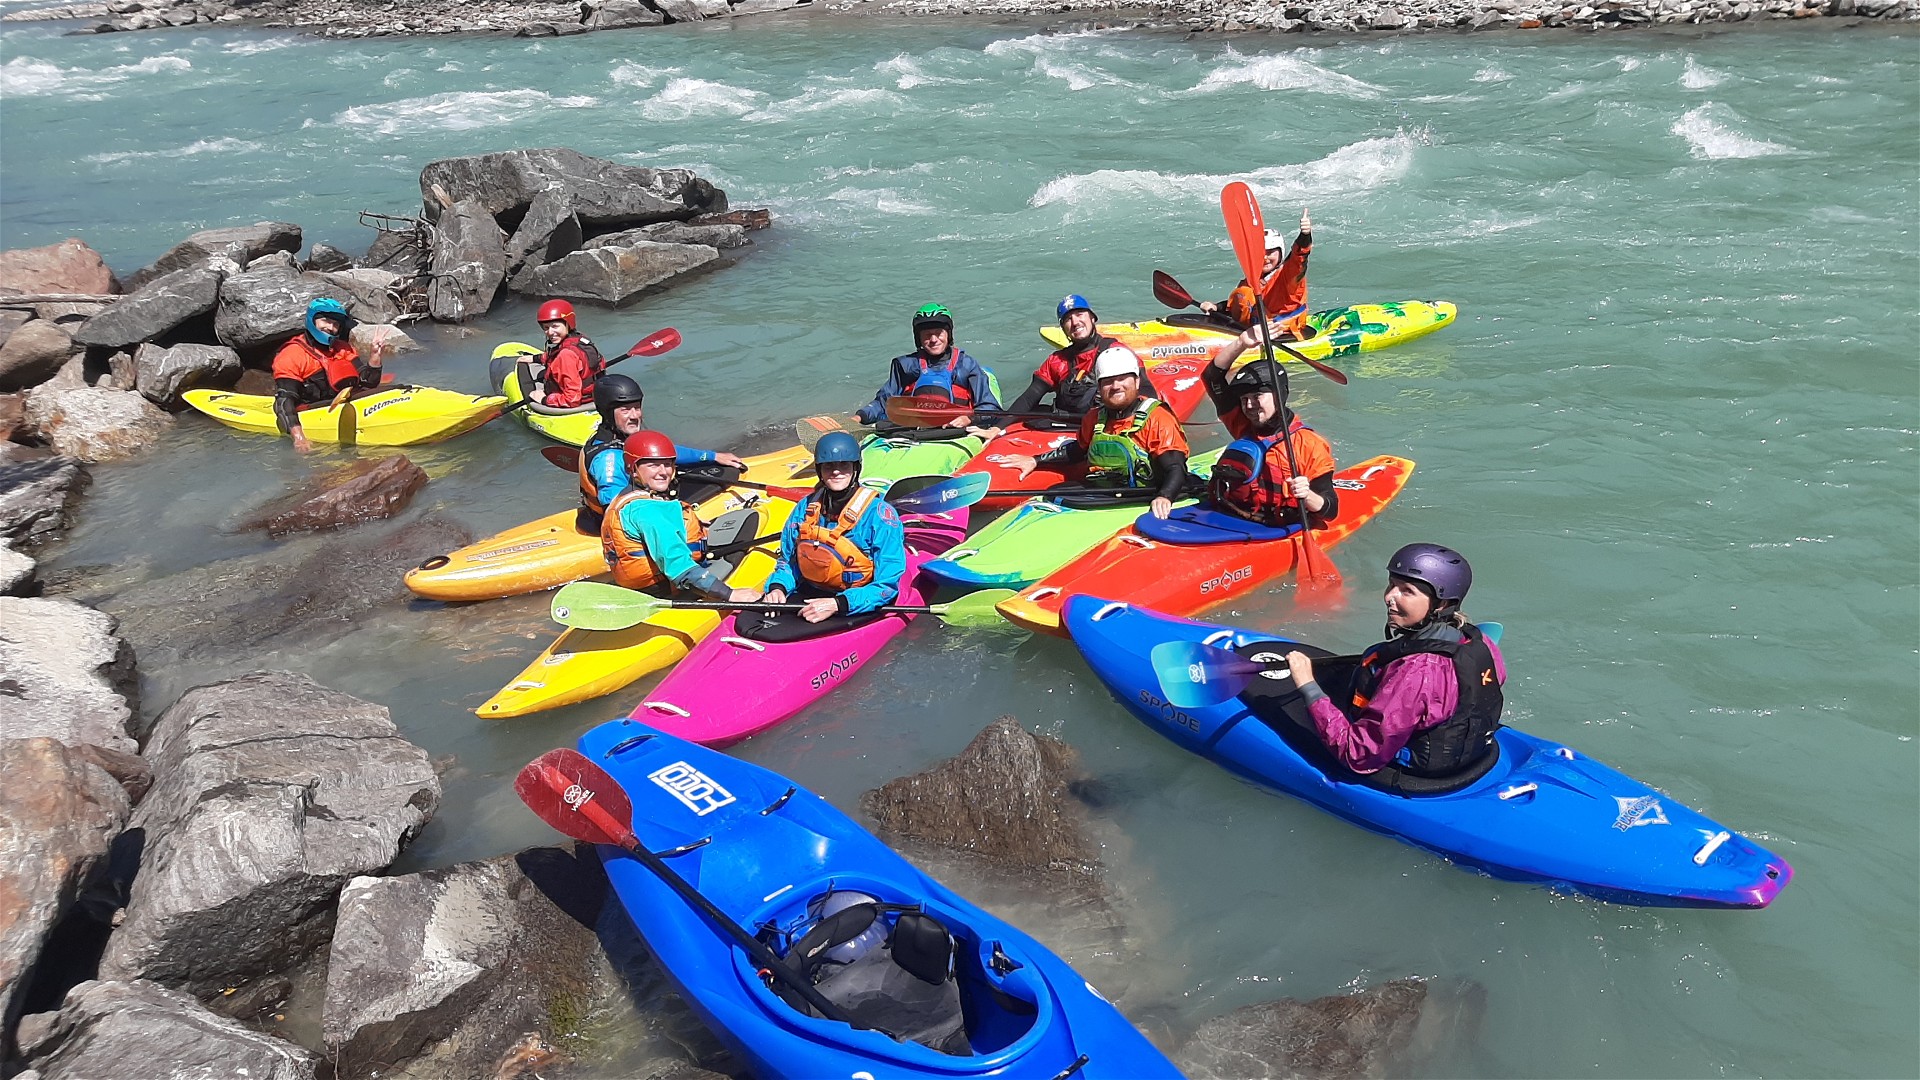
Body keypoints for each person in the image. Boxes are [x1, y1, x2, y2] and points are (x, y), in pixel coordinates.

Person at [1283, 543, 1506, 781]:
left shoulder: (1416, 673)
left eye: (1407, 591)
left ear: (1440, 604)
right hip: (1470, 750)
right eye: (1391, 585)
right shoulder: (1480, 642)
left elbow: (1358, 754)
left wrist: (1309, 687)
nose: (1389, 597)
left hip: (1416, 770)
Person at [999, 345, 1190, 519]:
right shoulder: (1095, 418)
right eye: (1108, 381)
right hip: (1104, 493)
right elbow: (1076, 451)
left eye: (1123, 378)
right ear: (1099, 387)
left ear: (1137, 382)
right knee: (1052, 493)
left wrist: (1164, 497)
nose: (1116, 386)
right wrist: (1035, 460)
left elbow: (1175, 466)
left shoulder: (1157, 417)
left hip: (1145, 493)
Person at [751, 431, 907, 624]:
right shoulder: (805, 507)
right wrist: (778, 587)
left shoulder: (880, 516)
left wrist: (837, 604)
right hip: (811, 592)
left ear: (855, 468)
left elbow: (886, 586)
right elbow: (788, 561)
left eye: (844, 465)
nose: (836, 471)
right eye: (829, 466)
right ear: (819, 470)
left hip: (853, 601)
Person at [1200, 329, 1338, 529]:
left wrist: (1307, 496)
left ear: (1279, 395)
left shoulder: (1309, 445)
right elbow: (1212, 377)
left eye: (1257, 397)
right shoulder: (1243, 424)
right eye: (1244, 399)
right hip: (1233, 514)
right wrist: (1242, 342)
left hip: (1275, 526)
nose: (1249, 406)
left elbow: (1331, 510)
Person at [600, 430, 760, 603]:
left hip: (640, 585)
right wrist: (729, 594)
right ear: (633, 469)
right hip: (666, 589)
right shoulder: (648, 510)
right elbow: (680, 569)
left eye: (668, 464)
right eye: (653, 465)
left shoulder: (623, 500)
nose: (663, 472)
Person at [576, 373, 746, 531]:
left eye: (637, 407)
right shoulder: (608, 458)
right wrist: (679, 522)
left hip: (641, 502)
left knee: (716, 471)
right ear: (608, 413)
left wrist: (712, 456)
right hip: (621, 524)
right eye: (625, 410)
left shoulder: (621, 438)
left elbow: (662, 453)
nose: (635, 416)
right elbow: (615, 507)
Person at [976, 294, 1162, 438]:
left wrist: (1146, 424)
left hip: (1105, 426)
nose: (1075, 322)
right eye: (1067, 319)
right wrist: (996, 428)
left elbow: (1145, 389)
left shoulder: (1115, 352)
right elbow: (1029, 398)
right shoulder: (1057, 361)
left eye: (1080, 314)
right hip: (1066, 426)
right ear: (1063, 328)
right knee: (1035, 413)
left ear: (1092, 319)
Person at [854, 304, 1002, 429]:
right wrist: (859, 417)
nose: (933, 339)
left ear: (948, 334)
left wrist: (970, 419)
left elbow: (990, 408)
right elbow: (884, 403)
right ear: (918, 338)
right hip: (911, 429)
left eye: (939, 333)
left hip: (952, 431)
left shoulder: (966, 365)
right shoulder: (906, 366)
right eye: (927, 334)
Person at [272, 297, 387, 453]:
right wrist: (299, 438)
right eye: (326, 321)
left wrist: (375, 356)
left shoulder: (343, 349)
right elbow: (285, 400)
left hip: (339, 404)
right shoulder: (291, 355)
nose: (331, 328)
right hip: (309, 411)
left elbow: (367, 383)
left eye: (336, 324)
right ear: (312, 320)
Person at [1199, 208, 1313, 338]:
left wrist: (1305, 235)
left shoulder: (1289, 276)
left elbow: (1299, 258)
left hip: (1282, 334)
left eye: (1270, 252)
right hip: (1251, 331)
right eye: (1260, 253)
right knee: (1244, 292)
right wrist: (1216, 307)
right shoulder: (1253, 278)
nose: (1265, 258)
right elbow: (1244, 304)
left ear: (1280, 253)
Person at [525, 299, 605, 408]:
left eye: (555, 326)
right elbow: (558, 357)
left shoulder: (566, 355)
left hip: (574, 402)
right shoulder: (581, 340)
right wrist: (536, 358)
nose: (550, 332)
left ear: (567, 323)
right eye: (546, 328)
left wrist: (543, 399)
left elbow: (571, 400)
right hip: (593, 396)